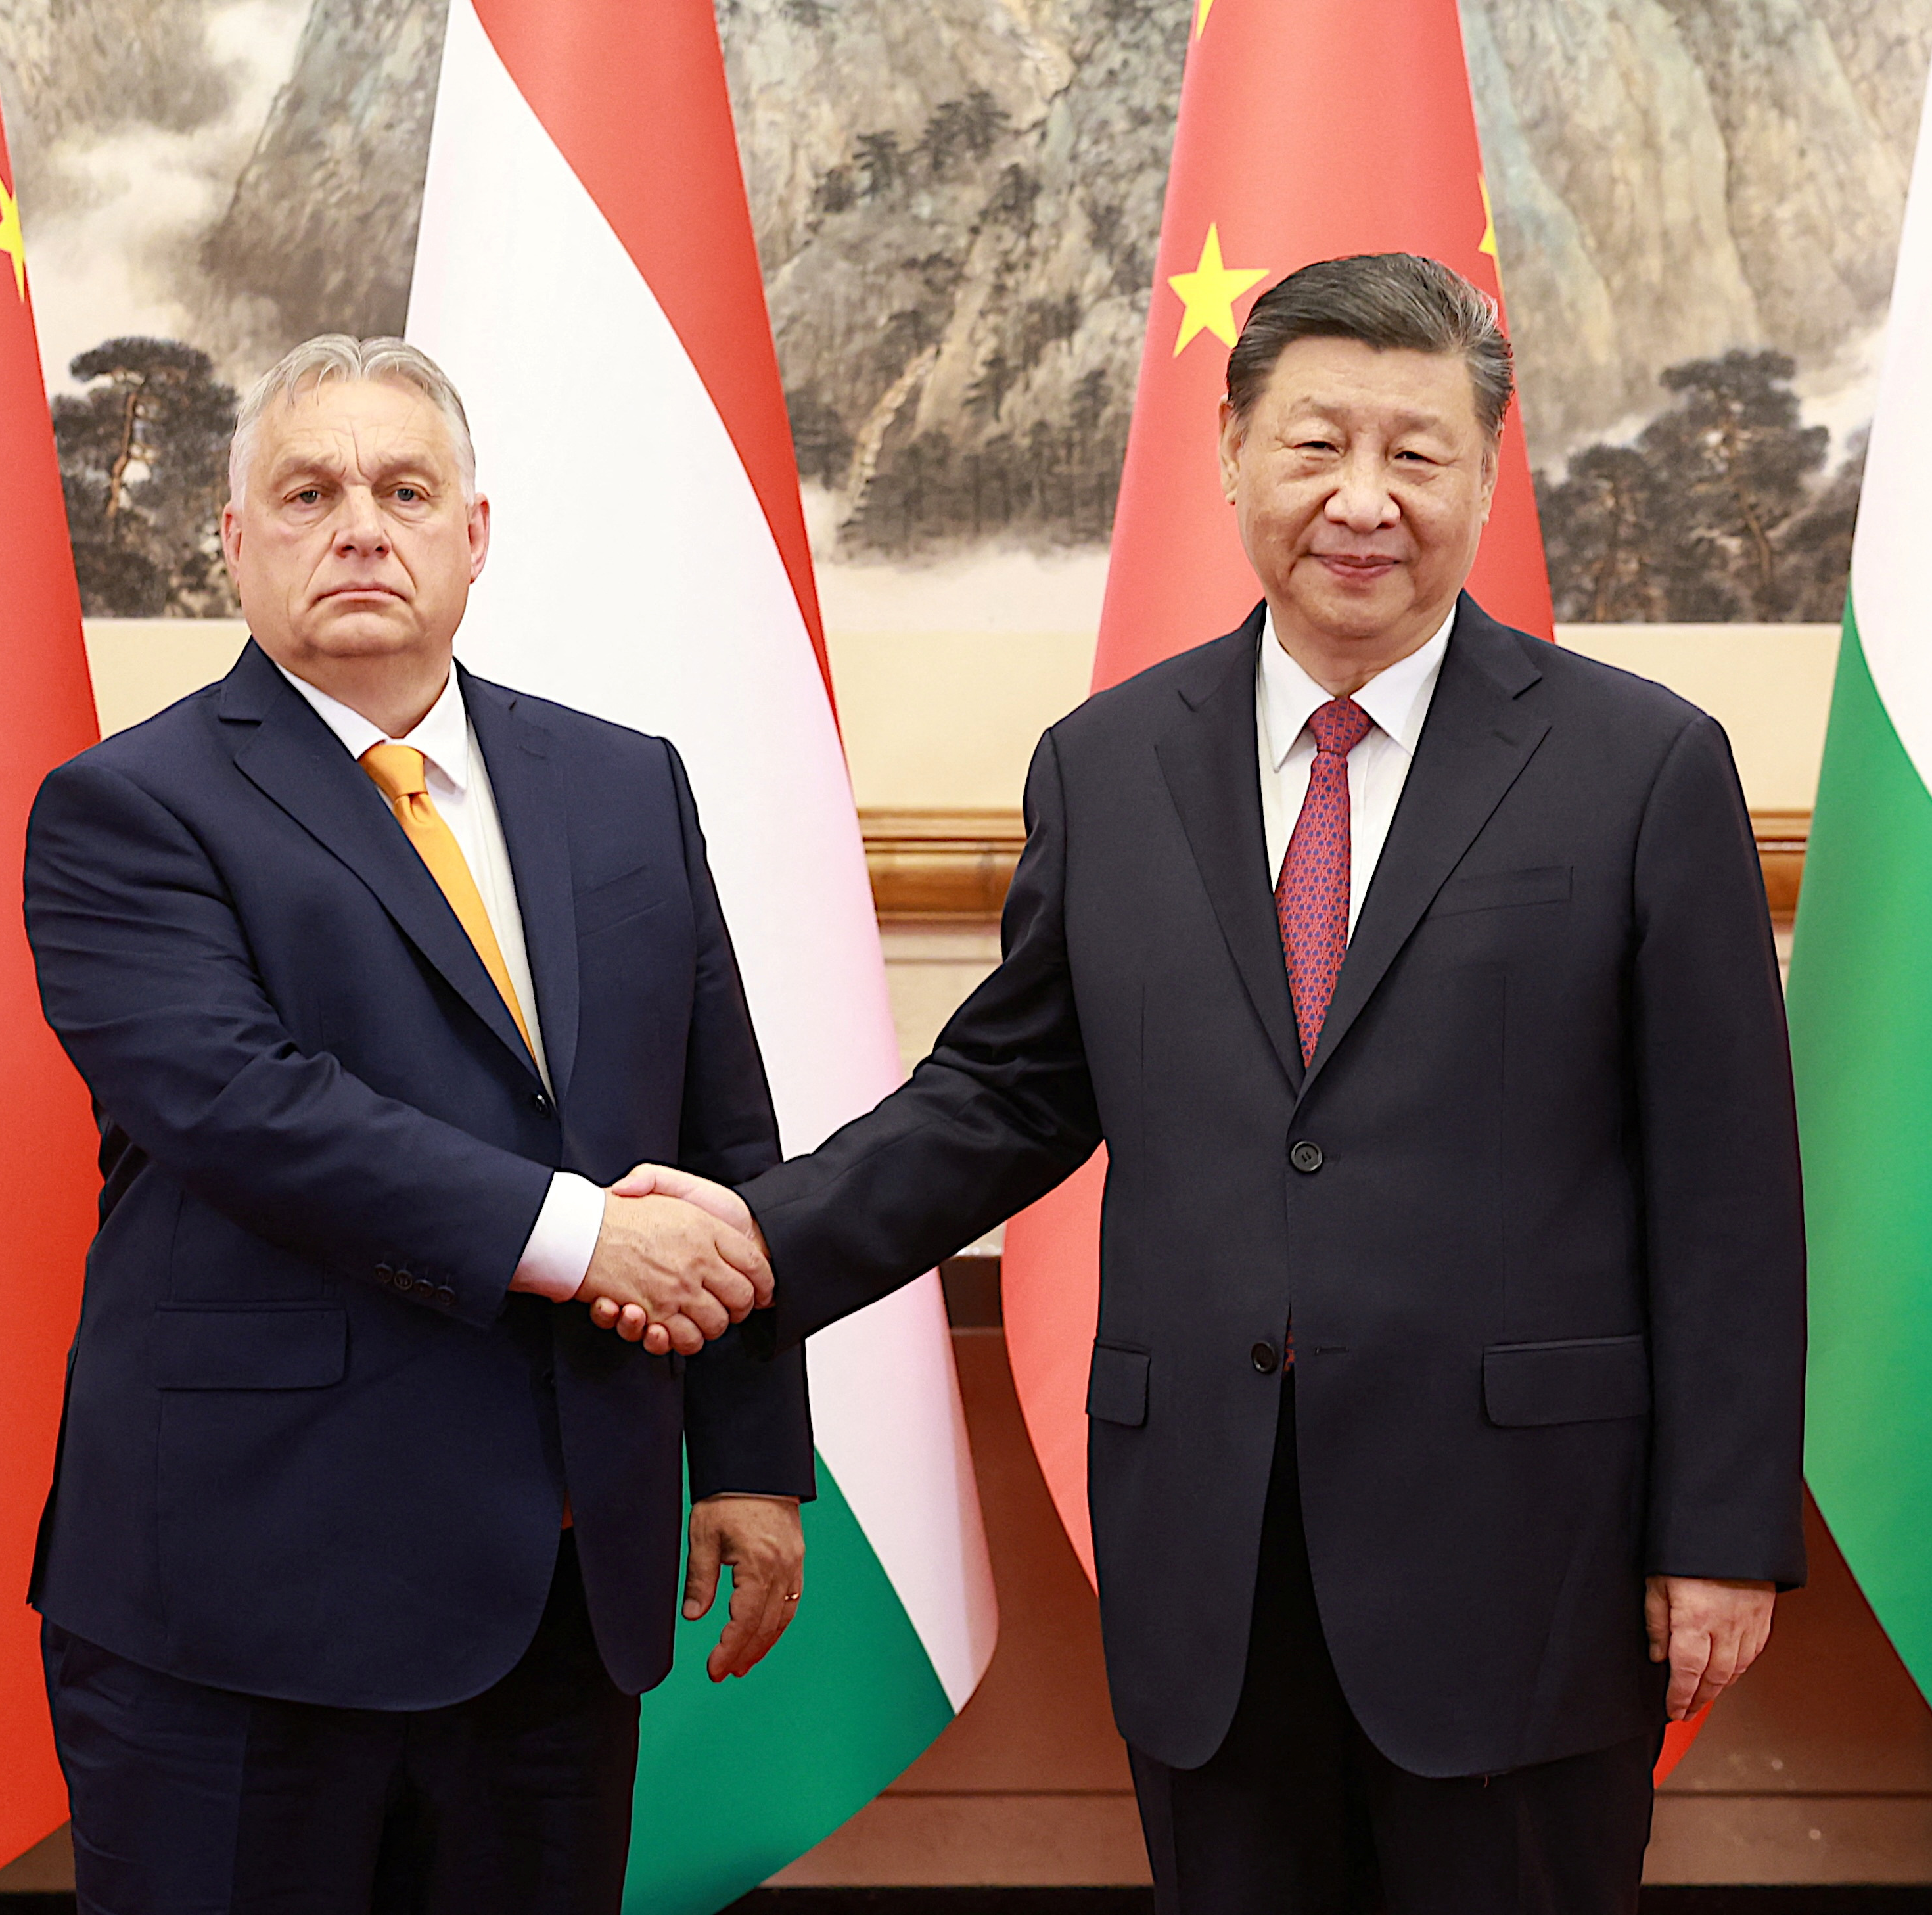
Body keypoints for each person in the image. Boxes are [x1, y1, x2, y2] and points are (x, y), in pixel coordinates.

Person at [616, 255, 1807, 1913]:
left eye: (1418, 453)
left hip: (1525, 1553)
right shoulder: (1107, 764)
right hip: (1210, 1555)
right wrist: (752, 1235)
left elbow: (1729, 1192)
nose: (1364, 500)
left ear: (1482, 474)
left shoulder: (1640, 765)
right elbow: (1003, 1097)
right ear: (1231, 450)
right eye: (1317, 444)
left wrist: (1721, 1530)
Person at [22, 334, 808, 1914]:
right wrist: (594, 1240)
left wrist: (748, 1451)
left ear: (473, 533)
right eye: (307, 493)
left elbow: (720, 1126)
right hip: (241, 1609)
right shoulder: (127, 805)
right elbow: (251, 1109)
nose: (359, 527)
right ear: (233, 544)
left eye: (402, 488)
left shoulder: (620, 783)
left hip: (558, 1596)